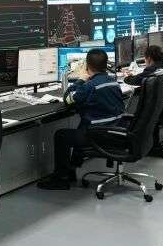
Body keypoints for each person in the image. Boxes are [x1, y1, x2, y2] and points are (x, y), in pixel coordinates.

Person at [37, 48, 126, 190]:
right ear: (106, 65)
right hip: (116, 130)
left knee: (62, 135)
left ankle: (61, 179)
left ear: (87, 66)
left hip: (99, 134)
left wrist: (80, 80)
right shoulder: (113, 82)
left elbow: (68, 99)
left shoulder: (89, 86)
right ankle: (70, 171)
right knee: (81, 127)